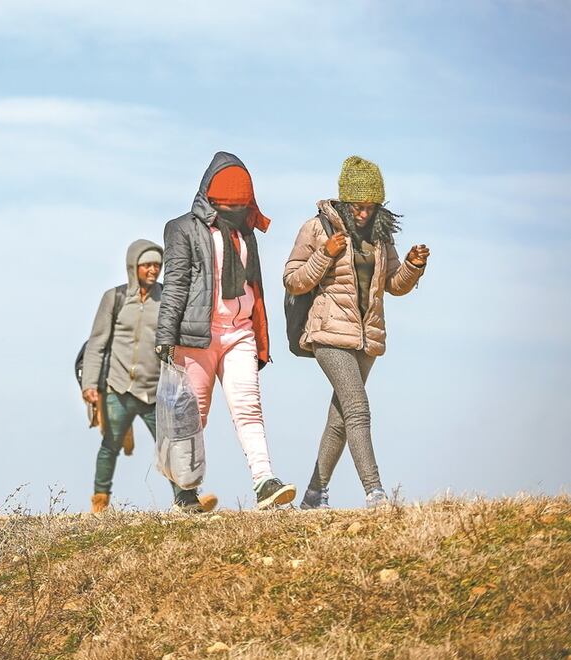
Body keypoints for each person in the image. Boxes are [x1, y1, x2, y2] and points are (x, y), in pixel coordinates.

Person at [283, 156, 429, 509]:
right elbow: (293, 280)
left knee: (340, 419)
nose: (363, 213)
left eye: (370, 207)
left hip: (366, 338)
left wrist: (412, 266)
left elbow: (392, 285)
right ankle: (375, 493)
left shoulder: (380, 236)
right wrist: (324, 255)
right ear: (344, 202)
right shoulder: (317, 229)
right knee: (358, 408)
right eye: (357, 207)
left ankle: (314, 496)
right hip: (328, 334)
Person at [155, 151, 296, 510]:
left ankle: (265, 481)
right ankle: (184, 492)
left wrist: (261, 334)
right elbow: (175, 284)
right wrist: (165, 337)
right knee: (193, 415)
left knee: (249, 408)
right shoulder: (182, 228)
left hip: (239, 333)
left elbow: (256, 285)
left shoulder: (246, 232)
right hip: (196, 335)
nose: (238, 210)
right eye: (231, 204)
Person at [81, 240, 217, 513]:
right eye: (147, 265)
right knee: (110, 444)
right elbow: (97, 343)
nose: (153, 270)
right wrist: (90, 385)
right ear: (134, 267)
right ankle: (100, 500)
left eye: (157, 265)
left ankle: (187, 499)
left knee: (173, 445)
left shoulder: (167, 297)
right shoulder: (114, 298)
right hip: (119, 387)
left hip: (157, 390)